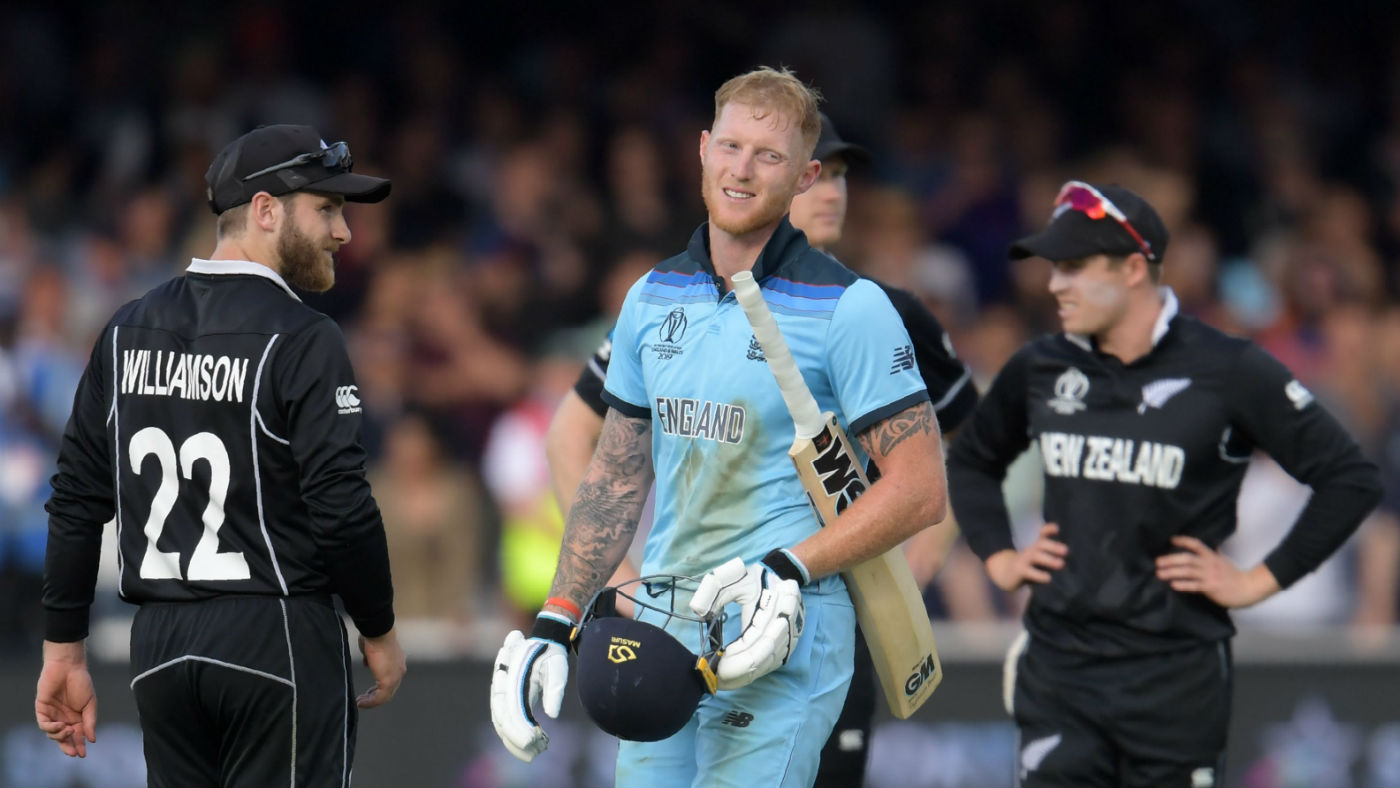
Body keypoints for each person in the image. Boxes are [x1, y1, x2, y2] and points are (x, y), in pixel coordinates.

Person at [492, 66, 948, 788]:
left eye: (768, 156)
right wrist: (558, 617)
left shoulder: (851, 308)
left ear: (803, 176)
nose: (742, 169)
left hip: (787, 629)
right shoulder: (650, 295)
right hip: (665, 625)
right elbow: (614, 476)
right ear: (703, 148)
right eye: (730, 146)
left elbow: (921, 490)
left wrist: (788, 566)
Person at [946, 180, 1382, 788]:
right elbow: (970, 461)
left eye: (1074, 267)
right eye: (1054, 268)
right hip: (1061, 670)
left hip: (1175, 677)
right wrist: (998, 556)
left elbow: (1350, 478)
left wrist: (1260, 579)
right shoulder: (1041, 366)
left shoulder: (1228, 369)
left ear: (1132, 268)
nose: (1054, 285)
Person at [37, 124, 407, 787]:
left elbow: (74, 498)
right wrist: (377, 628)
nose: (343, 232)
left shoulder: (125, 329)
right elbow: (343, 508)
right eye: (326, 208)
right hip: (277, 635)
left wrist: (63, 647)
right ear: (265, 210)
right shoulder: (304, 337)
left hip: (159, 651)